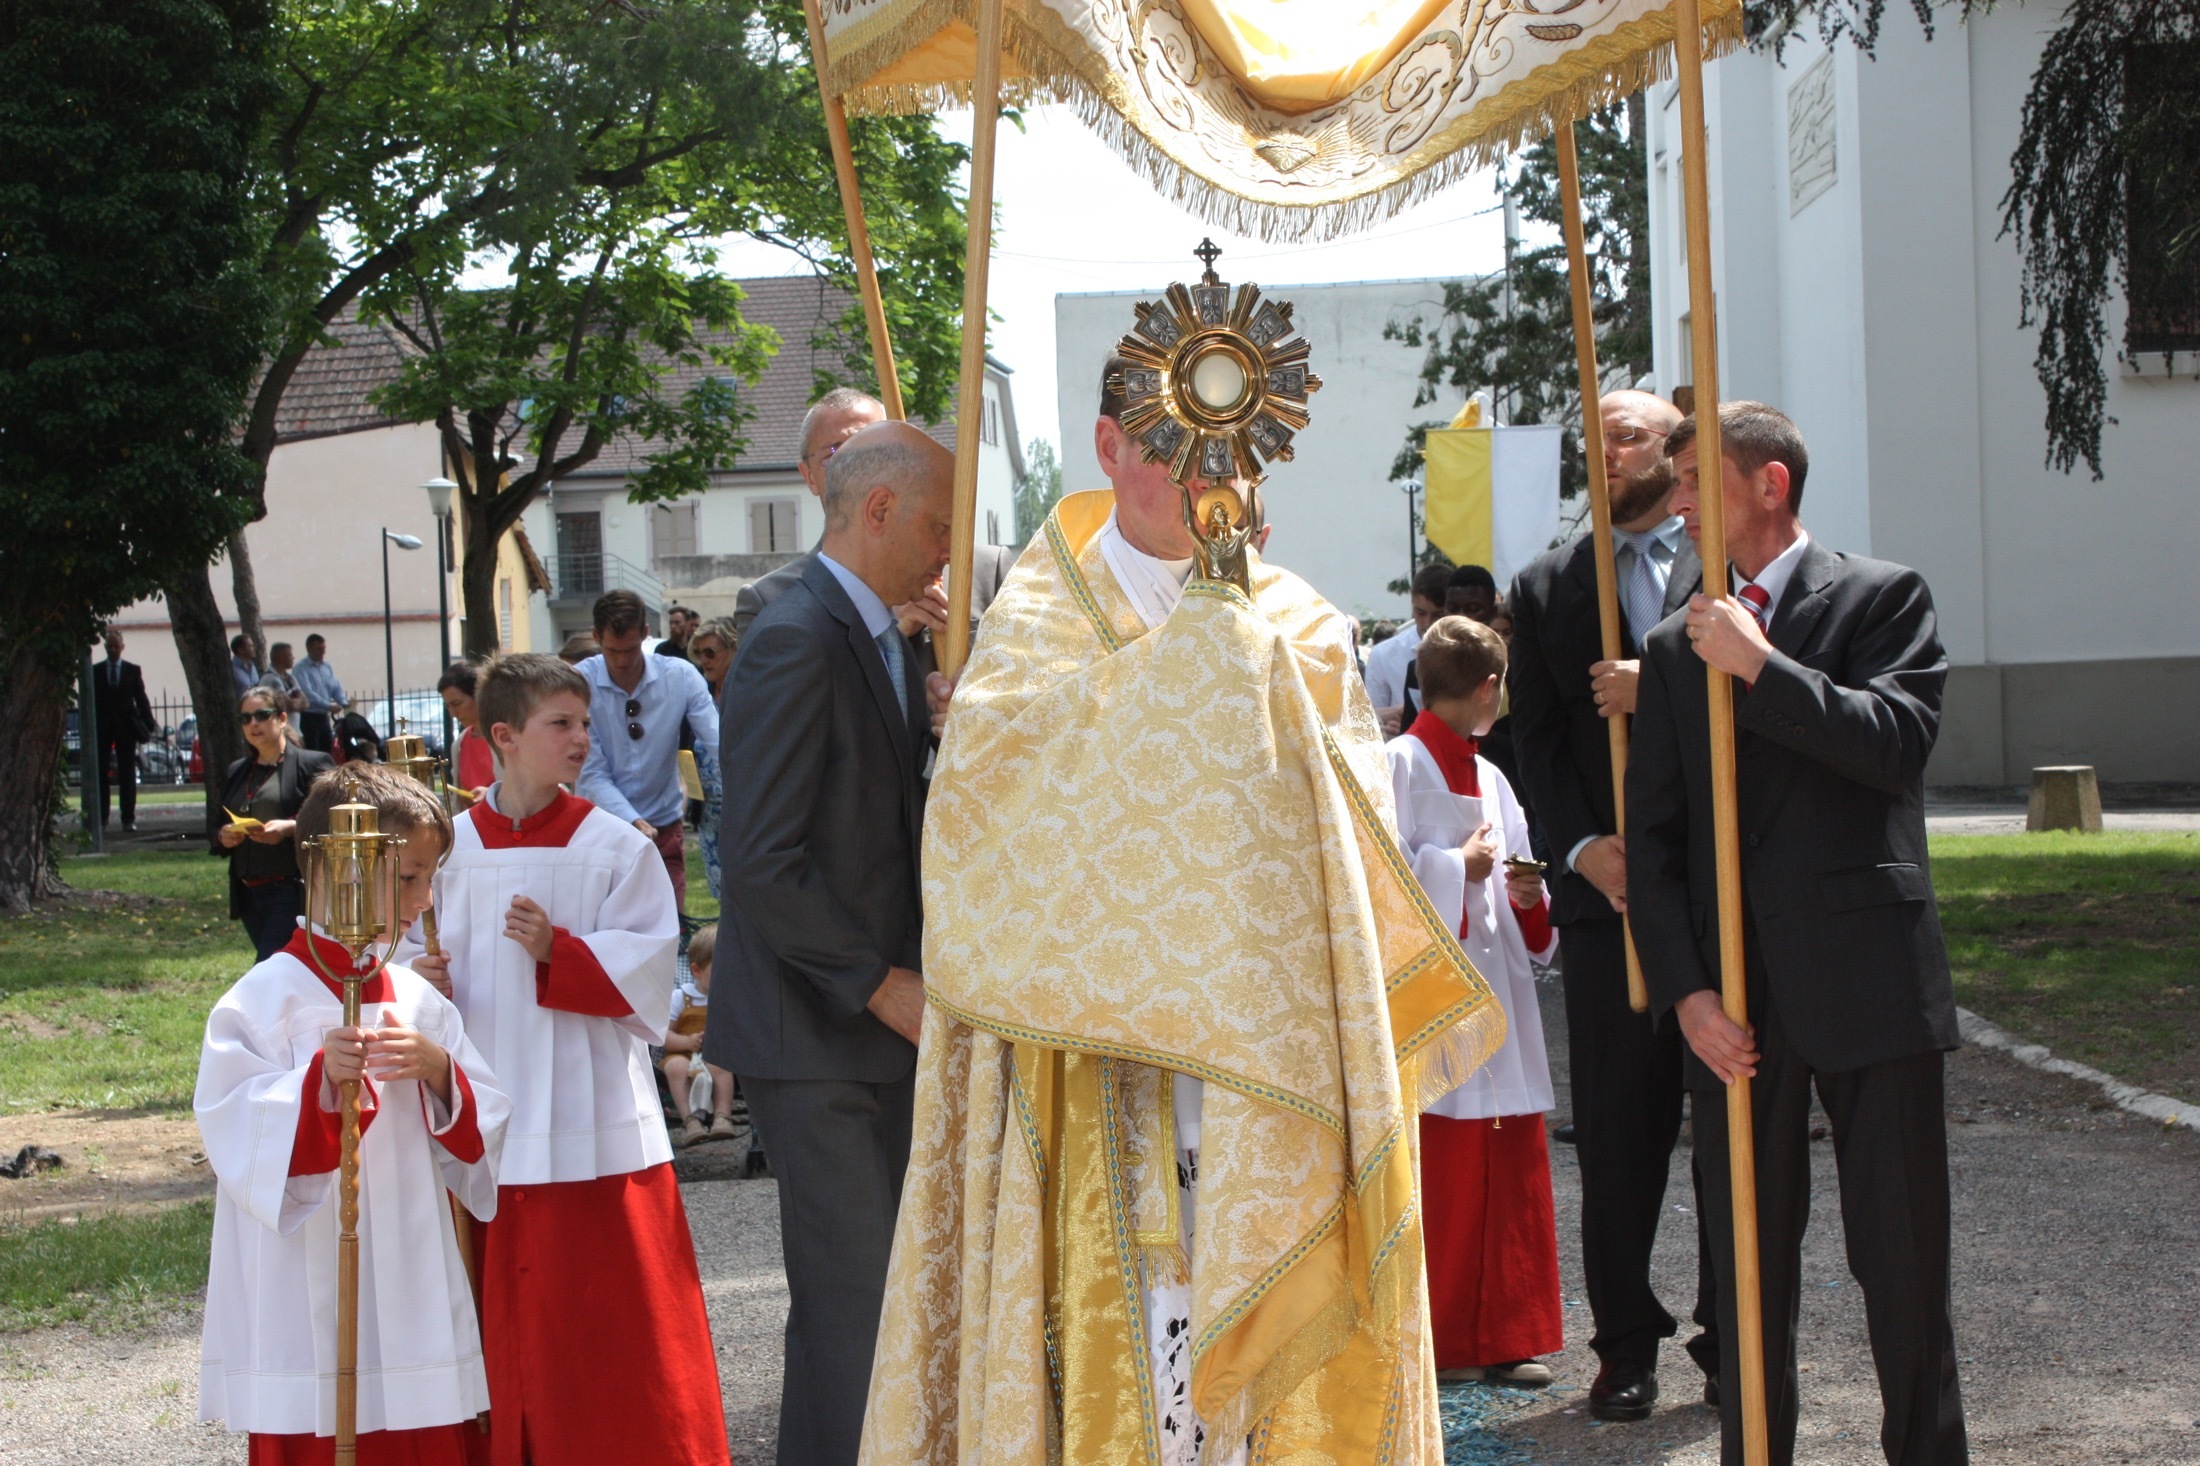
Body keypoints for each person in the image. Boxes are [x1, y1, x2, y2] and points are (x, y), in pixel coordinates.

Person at [860, 361, 1502, 1465]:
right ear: (1107, 448)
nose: (1205, 474)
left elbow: (1349, 848)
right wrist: (1186, 679)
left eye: (1233, 447)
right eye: (1169, 444)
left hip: (1272, 1055)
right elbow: (984, 827)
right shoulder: (1037, 617)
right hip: (1104, 1062)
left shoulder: (1299, 620)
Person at [1627, 402, 1966, 1466]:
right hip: (1734, 996)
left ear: (1768, 484)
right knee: (1746, 1267)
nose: (1675, 503)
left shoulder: (1880, 595)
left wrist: (1762, 669)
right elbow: (1658, 842)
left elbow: (1895, 744)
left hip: (1869, 978)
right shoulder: (1670, 646)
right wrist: (1686, 993)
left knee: (1902, 1262)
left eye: (1695, 480)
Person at [414, 651, 729, 1466]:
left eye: (587, 723)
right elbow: (407, 952)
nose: (583, 739)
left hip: (588, 1118)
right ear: (504, 738)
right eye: (563, 724)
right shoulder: (448, 852)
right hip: (480, 1119)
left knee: (603, 1333)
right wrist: (422, 979)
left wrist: (563, 952)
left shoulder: (613, 848)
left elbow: (652, 970)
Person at [709, 421, 950, 1466]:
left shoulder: (879, 634)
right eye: (939, 522)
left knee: (868, 1312)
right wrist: (875, 982)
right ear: (881, 508)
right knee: (858, 1311)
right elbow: (760, 858)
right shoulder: (795, 633)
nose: (948, 547)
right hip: (820, 1030)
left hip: (864, 1029)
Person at [196, 763, 508, 1463]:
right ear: (334, 865)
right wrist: (316, 1088)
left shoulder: (416, 998)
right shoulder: (262, 999)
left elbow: (487, 1130)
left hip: (410, 1260)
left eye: (431, 877)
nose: (423, 898)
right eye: (406, 878)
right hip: (304, 1281)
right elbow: (233, 1126)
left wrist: (440, 1073)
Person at [1508, 387, 1712, 1421]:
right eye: (1590, 439)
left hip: (1723, 894)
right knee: (1622, 1131)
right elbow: (1534, 742)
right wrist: (1584, 850)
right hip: (1608, 900)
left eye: (1624, 434)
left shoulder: (1722, 566)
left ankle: (1733, 1330)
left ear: (1672, 449)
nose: (1605, 451)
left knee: (1729, 1120)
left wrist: (1659, 681)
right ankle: (1625, 1340)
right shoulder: (1546, 585)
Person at [1388, 616, 1562, 1387]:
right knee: (1447, 1179)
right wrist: (1453, 866)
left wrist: (1527, 893)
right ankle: (1444, 1340)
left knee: (1511, 1170)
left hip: (1501, 1005)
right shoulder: (1397, 764)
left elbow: (1529, 903)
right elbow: (1382, 885)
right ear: (1489, 688)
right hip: (1435, 1012)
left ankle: (1509, 1334)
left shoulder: (1493, 777)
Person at [731, 387, 1015, 655]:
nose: (860, 463)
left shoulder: (985, 571)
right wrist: (890, 634)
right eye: (836, 452)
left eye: (876, 447)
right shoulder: (771, 600)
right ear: (808, 476)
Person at [574, 590, 719, 910]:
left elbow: (718, 742)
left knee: (670, 935)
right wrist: (632, 820)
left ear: (645, 633)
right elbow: (592, 771)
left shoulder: (680, 676)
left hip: (664, 830)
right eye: (613, 651)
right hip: (602, 831)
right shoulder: (579, 682)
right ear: (596, 637)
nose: (623, 661)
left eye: (630, 649)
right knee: (608, 937)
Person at [214, 687, 335, 960]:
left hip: (291, 889)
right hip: (249, 893)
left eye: (261, 715)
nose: (253, 723)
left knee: (267, 967)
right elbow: (216, 826)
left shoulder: (311, 763)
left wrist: (290, 828)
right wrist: (224, 836)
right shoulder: (237, 771)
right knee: (286, 968)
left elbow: (337, 817)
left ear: (282, 718)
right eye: (245, 718)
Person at [663, 923, 736, 1147]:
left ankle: (723, 1117)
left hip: (717, 1054)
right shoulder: (680, 997)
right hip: (683, 1052)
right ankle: (690, 1120)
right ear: (697, 971)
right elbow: (663, 1035)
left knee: (720, 1065)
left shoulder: (729, 997)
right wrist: (686, 1041)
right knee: (675, 1067)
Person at [1366, 562, 1452, 735]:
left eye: (1437, 615)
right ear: (1412, 604)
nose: (1427, 623)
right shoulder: (1383, 655)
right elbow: (1369, 720)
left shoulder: (1466, 652)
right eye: (1420, 613)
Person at [688, 618, 738, 904]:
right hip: (708, 810)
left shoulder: (747, 689)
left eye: (710, 652)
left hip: (740, 806)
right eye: (699, 653)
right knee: (719, 890)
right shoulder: (700, 695)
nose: (704, 660)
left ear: (733, 648)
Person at [93, 626, 155, 831]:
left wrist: (149, 724)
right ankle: (101, 818)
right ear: (105, 647)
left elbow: (141, 698)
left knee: (127, 774)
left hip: (126, 729)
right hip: (102, 728)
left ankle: (128, 819)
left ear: (122, 647)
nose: (113, 650)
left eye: (116, 646)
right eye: (109, 646)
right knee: (101, 773)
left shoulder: (132, 670)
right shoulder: (96, 671)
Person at [437, 660, 496, 799]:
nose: (452, 713)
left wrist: (492, 794)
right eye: (448, 706)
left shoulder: (508, 736)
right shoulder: (460, 743)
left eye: (457, 704)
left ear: (479, 695)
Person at [292, 634, 346, 754]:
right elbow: (307, 693)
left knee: (327, 748)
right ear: (309, 649)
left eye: (323, 649)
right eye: (318, 649)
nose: (322, 652)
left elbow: (334, 686)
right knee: (313, 750)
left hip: (323, 716)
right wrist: (328, 705)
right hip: (309, 716)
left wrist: (343, 701)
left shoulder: (326, 666)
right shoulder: (301, 669)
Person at [259, 641, 308, 715]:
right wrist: (298, 703)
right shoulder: (271, 679)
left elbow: (305, 703)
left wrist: (296, 703)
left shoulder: (290, 678)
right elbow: (289, 705)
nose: (293, 658)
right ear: (281, 658)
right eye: (290, 655)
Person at [229, 634, 261, 698]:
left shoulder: (253, 667)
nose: (254, 649)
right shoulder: (231, 670)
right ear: (240, 650)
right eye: (250, 646)